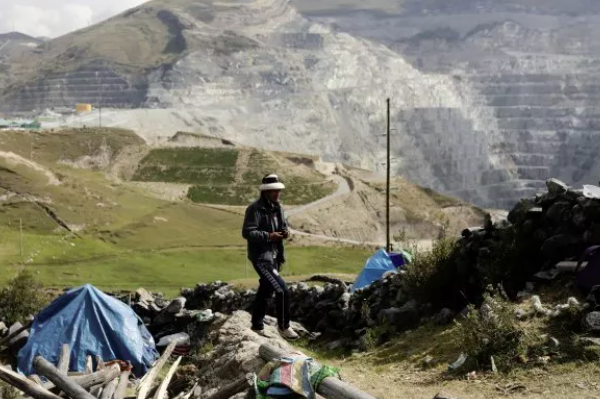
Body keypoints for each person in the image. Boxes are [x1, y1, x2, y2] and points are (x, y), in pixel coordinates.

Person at [242, 174, 299, 340]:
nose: (277, 194)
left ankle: (257, 325)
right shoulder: (254, 209)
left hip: (274, 256)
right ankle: (284, 327)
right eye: (273, 191)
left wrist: (284, 232)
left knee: (266, 290)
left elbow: (282, 228)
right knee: (282, 290)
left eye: (278, 191)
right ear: (265, 192)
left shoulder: (278, 208)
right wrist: (269, 236)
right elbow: (247, 232)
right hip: (261, 258)